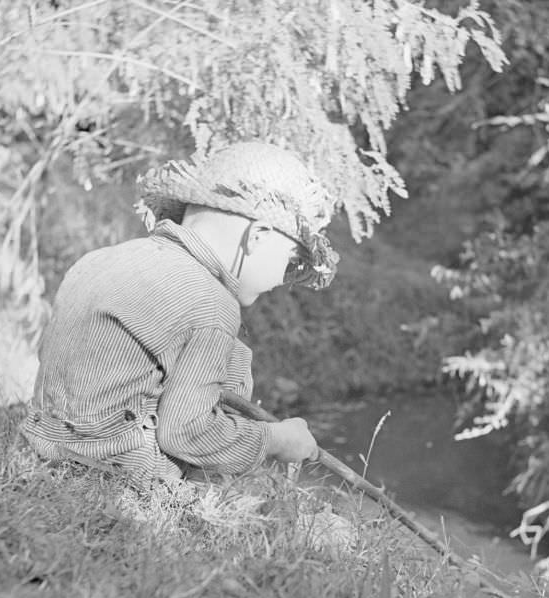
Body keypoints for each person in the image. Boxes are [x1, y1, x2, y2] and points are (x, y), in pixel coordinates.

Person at [19, 141, 340, 494]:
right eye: (290, 260)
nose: (284, 278)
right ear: (257, 237)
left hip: (45, 441)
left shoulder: (102, 259)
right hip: (112, 467)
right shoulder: (212, 303)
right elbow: (184, 431)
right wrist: (275, 440)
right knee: (231, 370)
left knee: (233, 355)